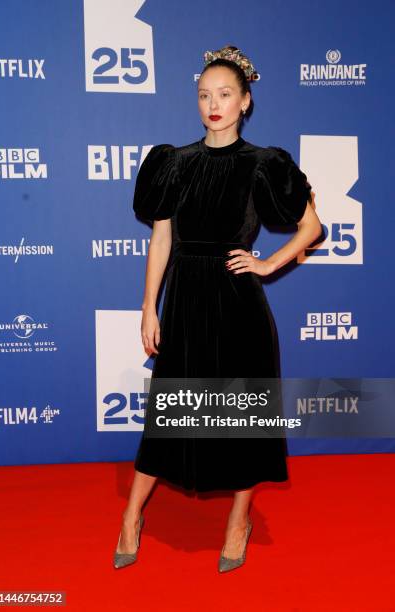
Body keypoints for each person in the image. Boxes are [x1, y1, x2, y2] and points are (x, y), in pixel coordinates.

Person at [114, 45, 322, 572]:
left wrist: (269, 264)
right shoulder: (172, 163)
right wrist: (147, 306)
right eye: (205, 94)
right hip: (183, 301)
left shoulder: (263, 164)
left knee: (242, 420)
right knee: (169, 415)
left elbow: (312, 227)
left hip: (237, 304)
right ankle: (131, 518)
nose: (214, 103)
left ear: (245, 101)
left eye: (225, 94)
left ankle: (238, 520)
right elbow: (161, 240)